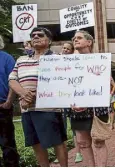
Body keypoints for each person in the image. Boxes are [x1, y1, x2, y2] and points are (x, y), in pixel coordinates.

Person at [9, 27, 68, 167]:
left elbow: (60, 81)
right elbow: (12, 79)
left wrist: (35, 96)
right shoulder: (21, 59)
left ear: (49, 40)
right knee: (36, 144)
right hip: (27, 110)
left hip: (49, 109)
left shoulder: (56, 59)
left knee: (57, 142)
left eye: (39, 35)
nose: (35, 37)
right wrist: (24, 94)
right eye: (32, 35)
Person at [68, 30, 111, 167]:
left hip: (97, 107)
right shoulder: (68, 63)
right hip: (77, 108)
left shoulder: (101, 61)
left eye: (79, 38)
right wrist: (70, 102)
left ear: (89, 42)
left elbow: (107, 85)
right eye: (74, 38)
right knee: (82, 143)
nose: (75, 40)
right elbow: (65, 86)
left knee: (99, 141)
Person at [54, 42, 83, 164]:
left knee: (74, 128)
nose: (65, 50)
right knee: (62, 127)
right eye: (64, 48)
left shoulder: (74, 63)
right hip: (61, 100)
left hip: (72, 99)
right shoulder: (56, 62)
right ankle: (61, 153)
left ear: (71, 51)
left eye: (68, 49)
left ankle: (78, 153)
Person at [0, 35, 20, 166]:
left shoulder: (6, 58)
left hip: (2, 107)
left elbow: (13, 81)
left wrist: (8, 102)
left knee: (7, 142)